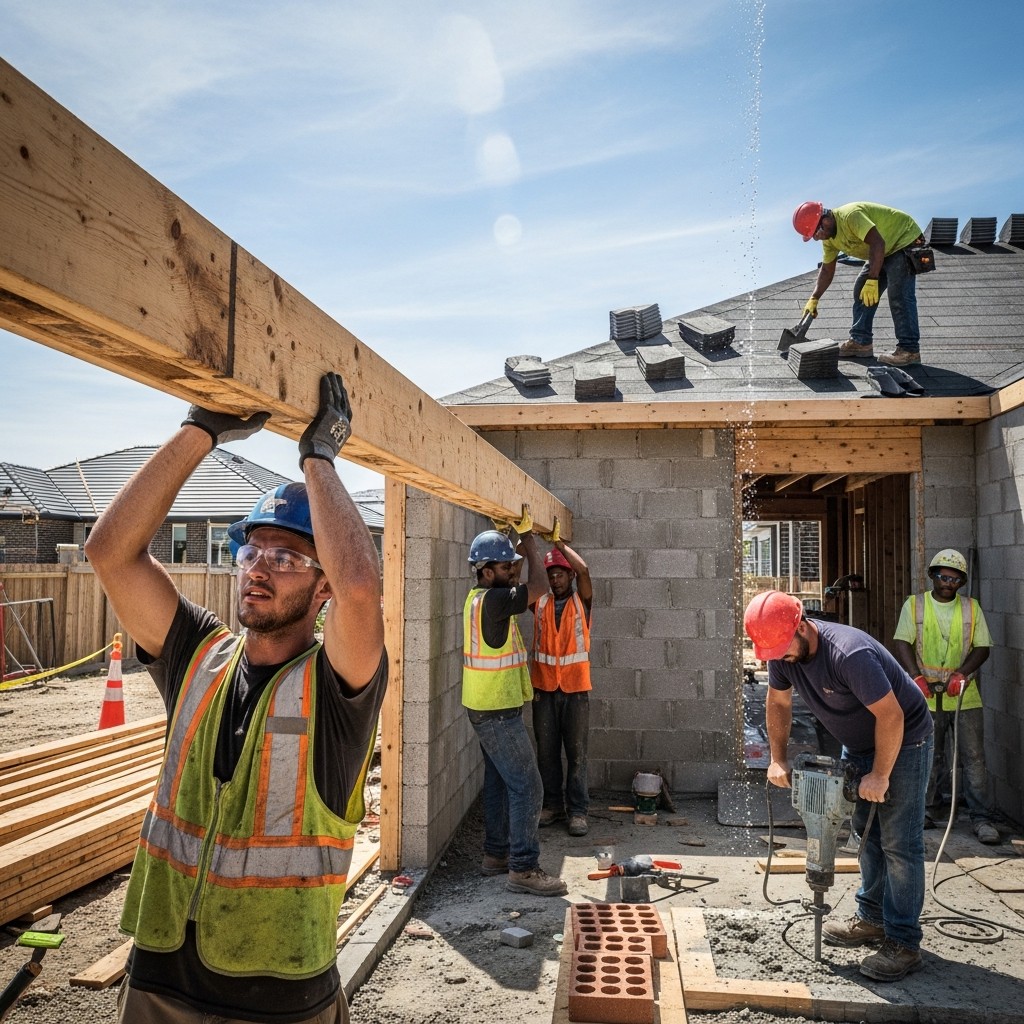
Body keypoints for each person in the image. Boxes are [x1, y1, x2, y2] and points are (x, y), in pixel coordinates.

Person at [85, 372, 387, 1024]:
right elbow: (109, 551)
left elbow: (363, 589)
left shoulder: (336, 691)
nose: (258, 567)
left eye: (286, 559)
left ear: (322, 588)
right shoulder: (198, 654)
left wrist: (318, 459)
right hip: (161, 972)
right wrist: (201, 430)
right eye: (253, 550)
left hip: (279, 992)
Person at [744, 590, 933, 982]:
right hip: (859, 743)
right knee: (865, 835)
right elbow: (778, 703)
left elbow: (893, 716)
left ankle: (903, 942)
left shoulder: (849, 653)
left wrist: (880, 774)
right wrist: (776, 758)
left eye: (782, 647)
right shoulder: (784, 654)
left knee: (899, 842)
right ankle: (871, 919)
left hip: (905, 738)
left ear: (801, 626)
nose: (780, 656)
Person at [463, 516, 567, 897]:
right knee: (529, 786)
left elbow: (523, 584)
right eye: (508, 566)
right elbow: (540, 587)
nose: (515, 570)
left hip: (485, 705)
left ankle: (496, 855)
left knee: (500, 781)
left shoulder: (481, 598)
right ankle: (523, 868)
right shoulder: (493, 600)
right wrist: (528, 537)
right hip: (496, 711)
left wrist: (512, 540)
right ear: (487, 572)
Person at [892, 549, 999, 844]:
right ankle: (926, 810)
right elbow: (902, 641)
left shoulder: (971, 608)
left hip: (964, 696)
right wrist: (916, 677)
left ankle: (982, 819)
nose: (948, 582)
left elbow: (983, 647)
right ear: (932, 576)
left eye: (954, 579)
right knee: (928, 755)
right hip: (925, 697)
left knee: (974, 757)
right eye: (943, 576)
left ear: (961, 582)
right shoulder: (915, 605)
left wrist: (962, 673)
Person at [793, 200, 925, 367]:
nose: (816, 237)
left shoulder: (850, 216)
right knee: (861, 290)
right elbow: (826, 270)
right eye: (812, 236)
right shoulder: (829, 240)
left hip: (903, 239)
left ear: (825, 219)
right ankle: (861, 342)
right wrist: (814, 298)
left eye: (815, 232)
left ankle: (909, 350)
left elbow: (878, 243)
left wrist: (873, 279)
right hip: (881, 249)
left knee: (899, 295)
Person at [531, 535, 593, 837]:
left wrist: (558, 544)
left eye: (559, 574)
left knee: (577, 753)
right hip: (544, 690)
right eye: (551, 575)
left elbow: (585, 571)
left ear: (568, 575)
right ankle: (553, 806)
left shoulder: (582, 602)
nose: (555, 580)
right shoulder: (540, 603)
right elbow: (523, 566)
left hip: (576, 690)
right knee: (546, 752)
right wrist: (523, 539)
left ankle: (578, 811)